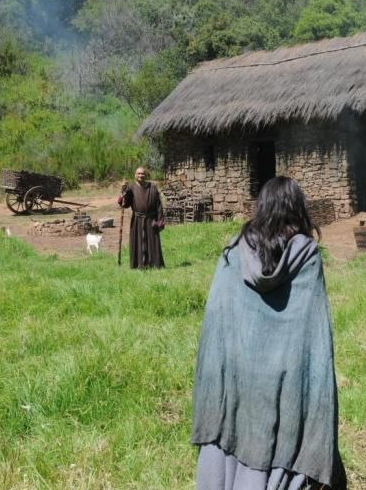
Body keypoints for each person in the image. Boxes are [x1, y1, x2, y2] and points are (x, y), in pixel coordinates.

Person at [191, 176, 346, 490]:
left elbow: (218, 320)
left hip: (238, 370)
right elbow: (312, 337)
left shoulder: (235, 251)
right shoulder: (307, 254)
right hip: (284, 376)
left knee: (237, 422)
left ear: (262, 208)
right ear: (297, 208)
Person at [117, 166, 165, 269]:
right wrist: (123, 192)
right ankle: (138, 265)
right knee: (137, 242)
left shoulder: (152, 187)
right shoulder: (131, 187)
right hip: (137, 220)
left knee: (153, 241)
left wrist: (159, 221)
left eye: (142, 173)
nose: (140, 175)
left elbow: (159, 205)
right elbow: (125, 204)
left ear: (145, 175)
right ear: (135, 175)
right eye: (138, 173)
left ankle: (155, 264)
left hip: (151, 219)